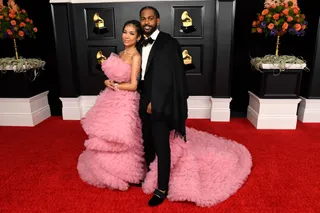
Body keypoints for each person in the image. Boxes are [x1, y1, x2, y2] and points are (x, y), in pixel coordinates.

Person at [78, 18, 252, 208]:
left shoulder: (138, 55)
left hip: (128, 100)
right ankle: (128, 171)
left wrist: (119, 86)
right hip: (112, 100)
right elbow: (113, 75)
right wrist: (107, 82)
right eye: (124, 32)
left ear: (138, 37)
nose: (126, 36)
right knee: (131, 138)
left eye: (131, 33)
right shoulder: (120, 53)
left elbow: (135, 84)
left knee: (131, 137)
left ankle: (146, 177)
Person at [136, 6, 189, 206]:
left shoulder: (168, 42)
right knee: (146, 140)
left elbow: (168, 78)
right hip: (143, 98)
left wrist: (155, 102)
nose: (147, 22)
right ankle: (150, 176)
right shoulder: (140, 42)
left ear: (157, 20)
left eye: (151, 18)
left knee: (161, 145)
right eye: (143, 19)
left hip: (159, 102)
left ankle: (162, 188)